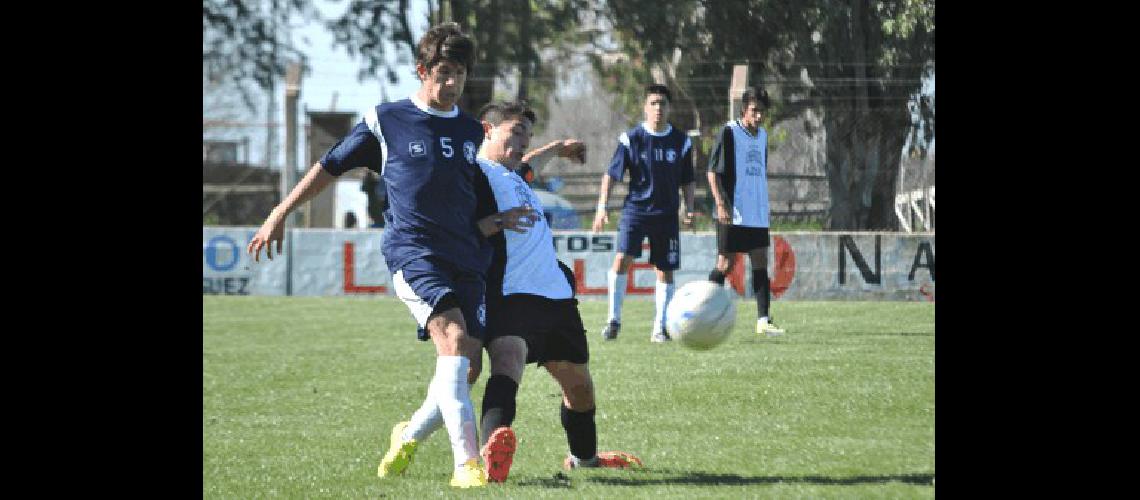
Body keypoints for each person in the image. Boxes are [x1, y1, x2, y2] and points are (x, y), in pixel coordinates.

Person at [245, 22, 536, 489]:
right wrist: (281, 211)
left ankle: (407, 436)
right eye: (443, 72)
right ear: (422, 71)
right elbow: (329, 167)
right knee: (455, 341)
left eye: (459, 74)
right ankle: (466, 465)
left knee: (467, 368)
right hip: (414, 254)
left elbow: (486, 181)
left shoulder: (468, 130)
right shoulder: (387, 121)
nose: (451, 83)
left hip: (467, 257)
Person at [473, 100, 642, 482]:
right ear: (487, 130)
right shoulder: (474, 174)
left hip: (554, 295)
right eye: (515, 133)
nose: (522, 143)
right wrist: (498, 221)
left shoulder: (516, 174)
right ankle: (491, 460)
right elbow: (457, 229)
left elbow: (531, 164)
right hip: (510, 292)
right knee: (508, 361)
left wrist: (557, 149)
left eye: (528, 136)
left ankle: (584, 460)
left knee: (580, 388)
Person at [591, 84, 696, 343]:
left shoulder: (681, 142)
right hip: (635, 211)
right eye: (653, 103)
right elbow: (611, 175)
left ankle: (660, 327)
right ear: (645, 107)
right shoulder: (631, 139)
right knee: (622, 260)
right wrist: (602, 207)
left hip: (667, 215)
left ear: (669, 108)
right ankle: (613, 320)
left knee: (665, 270)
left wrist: (690, 208)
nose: (658, 108)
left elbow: (688, 180)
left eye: (663, 103)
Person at [706, 86, 786, 337]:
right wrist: (720, 204)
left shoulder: (762, 136)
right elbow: (712, 172)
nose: (759, 117)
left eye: (762, 112)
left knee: (760, 260)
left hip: (756, 213)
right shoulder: (729, 132)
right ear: (744, 110)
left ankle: (763, 320)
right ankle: (703, 309)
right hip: (733, 210)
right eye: (754, 111)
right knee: (726, 263)